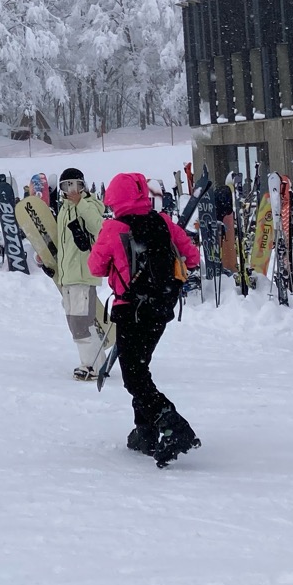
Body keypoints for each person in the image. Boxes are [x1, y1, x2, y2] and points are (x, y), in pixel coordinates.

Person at [88, 172, 202, 464]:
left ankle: (173, 425)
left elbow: (95, 267)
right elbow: (192, 258)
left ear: (114, 198)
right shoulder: (163, 222)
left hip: (131, 310)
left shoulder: (113, 228)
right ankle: (145, 430)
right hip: (161, 309)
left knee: (134, 377)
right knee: (140, 368)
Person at [54, 167, 108, 380]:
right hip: (69, 276)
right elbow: (63, 244)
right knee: (78, 321)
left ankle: (91, 365)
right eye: (65, 186)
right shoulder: (63, 210)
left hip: (83, 273)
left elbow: (99, 227)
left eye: (74, 184)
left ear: (82, 185)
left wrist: (81, 203)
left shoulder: (89, 205)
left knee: (80, 323)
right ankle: (98, 362)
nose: (71, 190)